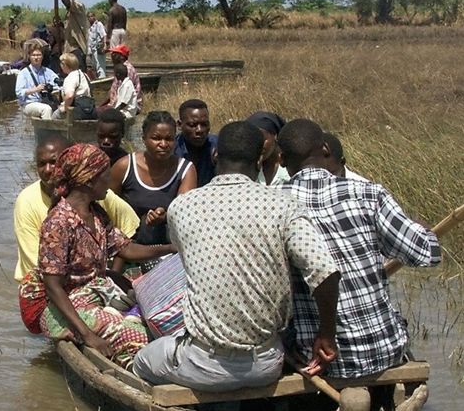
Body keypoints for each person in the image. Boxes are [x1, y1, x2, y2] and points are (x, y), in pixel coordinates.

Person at [133, 121, 340, 392]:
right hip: (266, 365)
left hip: (203, 365)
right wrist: (326, 334)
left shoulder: (181, 207)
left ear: (216, 155)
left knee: (141, 362)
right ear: (259, 160)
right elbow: (325, 271)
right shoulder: (284, 204)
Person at [278, 119, 441, 383]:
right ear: (326, 149)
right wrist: (423, 231)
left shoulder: (274, 203)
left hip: (317, 359)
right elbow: (427, 253)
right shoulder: (368, 194)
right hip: (381, 351)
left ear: (282, 160)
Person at [17, 144, 177, 369]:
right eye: (106, 176)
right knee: (139, 336)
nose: (110, 183)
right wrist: (87, 334)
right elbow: (53, 286)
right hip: (69, 309)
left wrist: (171, 248)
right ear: (89, 180)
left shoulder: (96, 213)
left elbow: (126, 249)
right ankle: (138, 371)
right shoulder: (58, 222)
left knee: (156, 314)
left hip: (97, 295)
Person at [14, 134, 140, 284]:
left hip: (91, 281)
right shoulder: (27, 202)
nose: (48, 170)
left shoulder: (97, 194)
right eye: (42, 163)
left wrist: (113, 275)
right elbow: (42, 269)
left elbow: (129, 231)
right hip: (47, 286)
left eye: (54, 162)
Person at [110, 111, 196, 271]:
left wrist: (165, 217)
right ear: (144, 139)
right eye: (156, 138)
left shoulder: (185, 170)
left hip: (168, 254)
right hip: (127, 253)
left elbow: (184, 214)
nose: (163, 144)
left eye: (169, 139)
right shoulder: (124, 167)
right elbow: (106, 209)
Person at [50, 0, 90, 77]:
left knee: (77, 77)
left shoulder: (78, 5)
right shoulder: (70, 13)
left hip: (77, 50)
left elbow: (67, 2)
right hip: (69, 50)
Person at [174, 99, 217, 187]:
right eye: (192, 125)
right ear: (179, 125)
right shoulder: (171, 150)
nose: (199, 130)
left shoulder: (218, 146)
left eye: (204, 124)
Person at [14, 38, 60, 120]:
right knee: (46, 109)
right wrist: (35, 90)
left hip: (44, 101)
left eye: (38, 55)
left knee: (62, 108)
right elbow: (19, 93)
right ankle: (47, 131)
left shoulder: (47, 71)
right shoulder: (23, 73)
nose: (36, 58)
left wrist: (52, 88)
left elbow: (57, 83)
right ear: (29, 57)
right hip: (29, 104)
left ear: (42, 57)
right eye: (33, 55)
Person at [246, 111, 290, 185]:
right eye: (251, 139)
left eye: (262, 138)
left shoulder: (289, 170)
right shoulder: (247, 170)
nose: (257, 144)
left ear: (275, 136)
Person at [97, 45, 142, 110]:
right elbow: (115, 91)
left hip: (128, 107)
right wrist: (102, 106)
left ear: (122, 57)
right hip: (116, 104)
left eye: (115, 54)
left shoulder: (127, 70)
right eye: (112, 53)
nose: (112, 56)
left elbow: (125, 97)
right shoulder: (120, 69)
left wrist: (113, 110)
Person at [52, 53, 93, 119]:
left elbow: (70, 96)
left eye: (61, 64)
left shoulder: (71, 77)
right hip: (88, 108)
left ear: (65, 65)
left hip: (75, 109)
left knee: (55, 115)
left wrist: (65, 108)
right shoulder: (84, 75)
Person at [87, 12, 107, 78]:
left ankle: (102, 78)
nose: (90, 18)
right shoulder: (89, 27)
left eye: (91, 16)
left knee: (100, 66)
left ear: (94, 16)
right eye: (89, 17)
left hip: (98, 49)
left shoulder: (99, 24)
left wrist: (104, 45)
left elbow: (103, 35)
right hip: (92, 49)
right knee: (94, 66)